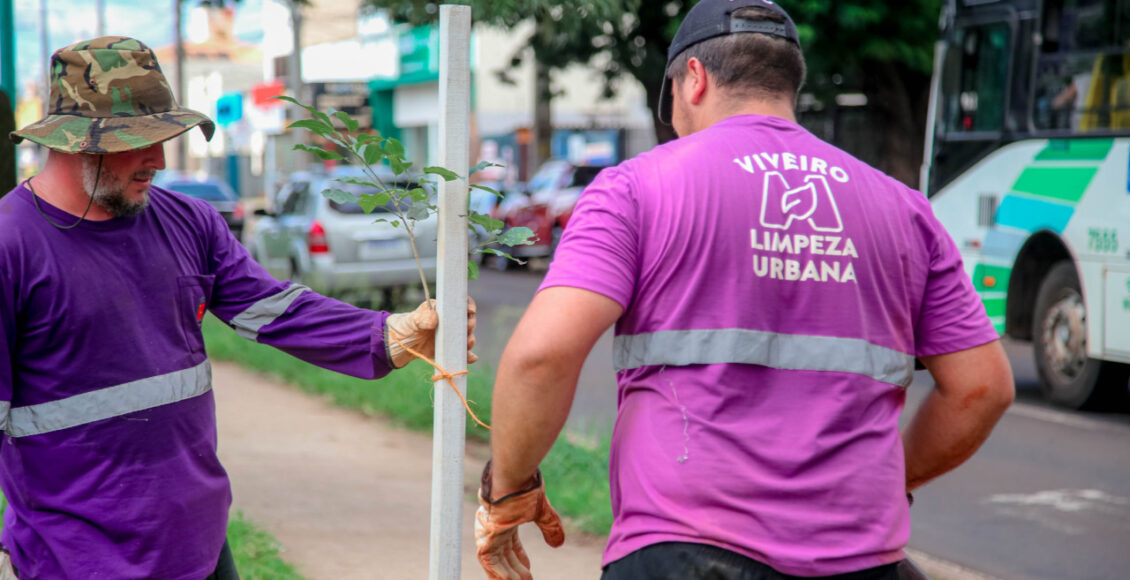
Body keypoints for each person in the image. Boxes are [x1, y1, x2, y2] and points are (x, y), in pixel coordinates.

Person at [473, 2, 1015, 579]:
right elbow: (983, 388)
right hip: (859, 561)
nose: (677, 122)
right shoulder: (902, 209)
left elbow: (541, 356)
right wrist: (890, 479)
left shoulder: (635, 189)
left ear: (696, 80)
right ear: (788, 85)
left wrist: (508, 489)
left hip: (681, 550)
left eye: (674, 103)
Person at [0, 36, 476, 580]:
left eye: (165, 138)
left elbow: (275, 310)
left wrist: (391, 334)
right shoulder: (10, 246)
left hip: (199, 546)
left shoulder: (189, 222)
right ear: (75, 143)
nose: (158, 158)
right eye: (139, 140)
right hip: (77, 560)